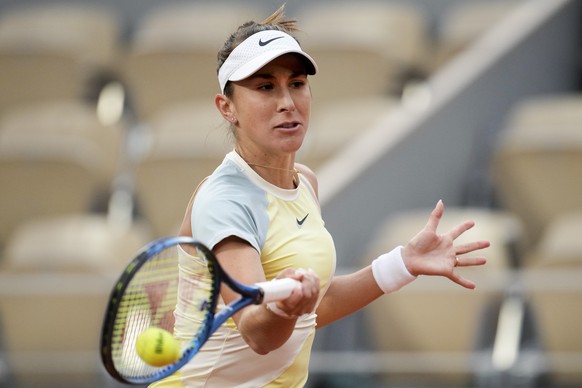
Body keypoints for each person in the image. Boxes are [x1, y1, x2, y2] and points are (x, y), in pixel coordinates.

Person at [152, 5, 489, 387]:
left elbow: (316, 307)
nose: (287, 102)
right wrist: (285, 309)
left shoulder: (305, 182)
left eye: (296, 84)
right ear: (227, 108)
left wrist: (402, 263)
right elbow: (258, 332)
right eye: (265, 87)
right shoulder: (224, 201)